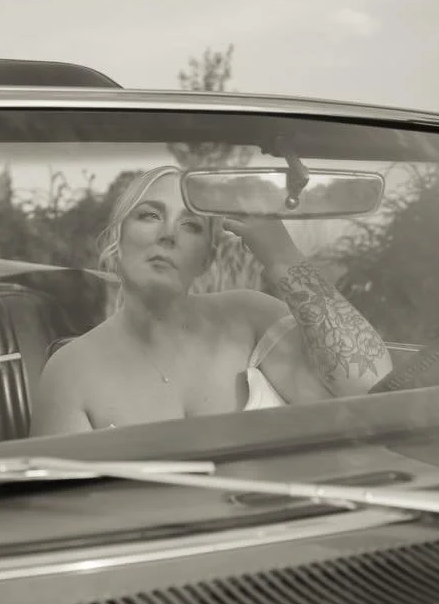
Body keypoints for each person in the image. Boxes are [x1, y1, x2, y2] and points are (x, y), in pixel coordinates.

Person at [30, 164, 392, 436]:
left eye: (191, 225)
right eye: (150, 215)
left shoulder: (249, 318)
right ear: (116, 240)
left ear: (206, 258)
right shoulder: (70, 371)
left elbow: (370, 384)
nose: (168, 234)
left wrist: (281, 254)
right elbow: (61, 512)